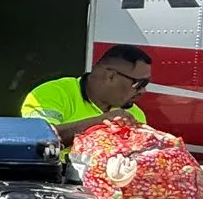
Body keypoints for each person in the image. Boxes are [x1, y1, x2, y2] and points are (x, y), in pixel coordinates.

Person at [21, 44, 152, 146]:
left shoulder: (134, 114)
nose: (143, 91)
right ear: (110, 76)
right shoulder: (52, 93)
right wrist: (102, 122)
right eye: (139, 83)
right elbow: (41, 139)